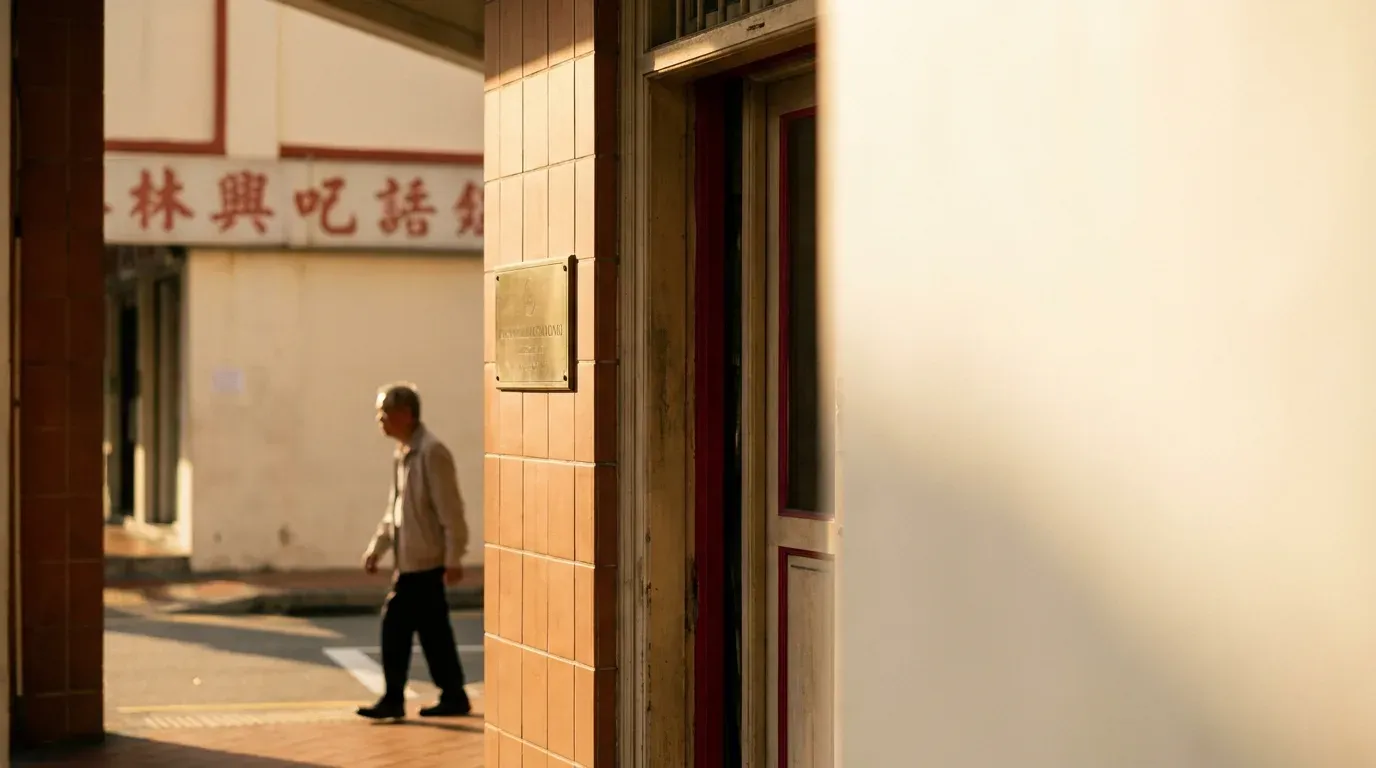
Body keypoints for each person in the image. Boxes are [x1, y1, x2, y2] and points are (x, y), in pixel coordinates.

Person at [356, 382, 472, 720]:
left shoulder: (432, 453)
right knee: (433, 633)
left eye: (385, 413)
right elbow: (395, 510)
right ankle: (452, 694)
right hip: (409, 562)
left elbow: (451, 511)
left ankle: (399, 697)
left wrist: (453, 558)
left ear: (405, 415)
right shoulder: (403, 453)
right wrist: (377, 547)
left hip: (426, 563)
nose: (380, 420)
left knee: (399, 626)